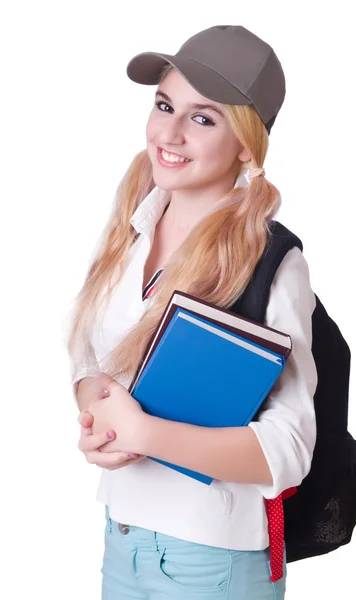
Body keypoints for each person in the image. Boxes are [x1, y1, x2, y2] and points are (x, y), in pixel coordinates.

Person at [67, 25, 318, 600]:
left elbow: (290, 447)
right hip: (120, 540)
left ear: (247, 144)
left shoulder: (271, 259)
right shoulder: (131, 230)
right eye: (164, 105)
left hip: (213, 563)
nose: (169, 133)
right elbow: (89, 357)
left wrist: (146, 433)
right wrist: (96, 410)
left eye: (202, 118)